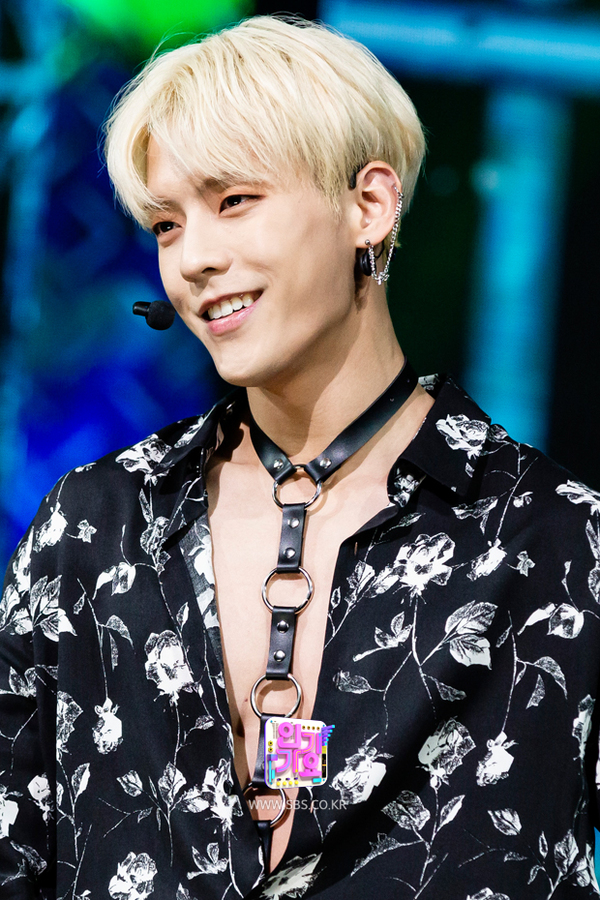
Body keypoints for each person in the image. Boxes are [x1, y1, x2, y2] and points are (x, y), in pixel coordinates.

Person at [1, 13, 599, 900]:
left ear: (370, 206)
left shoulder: (556, 542)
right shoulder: (93, 527)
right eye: (166, 225)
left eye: (234, 200)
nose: (194, 258)